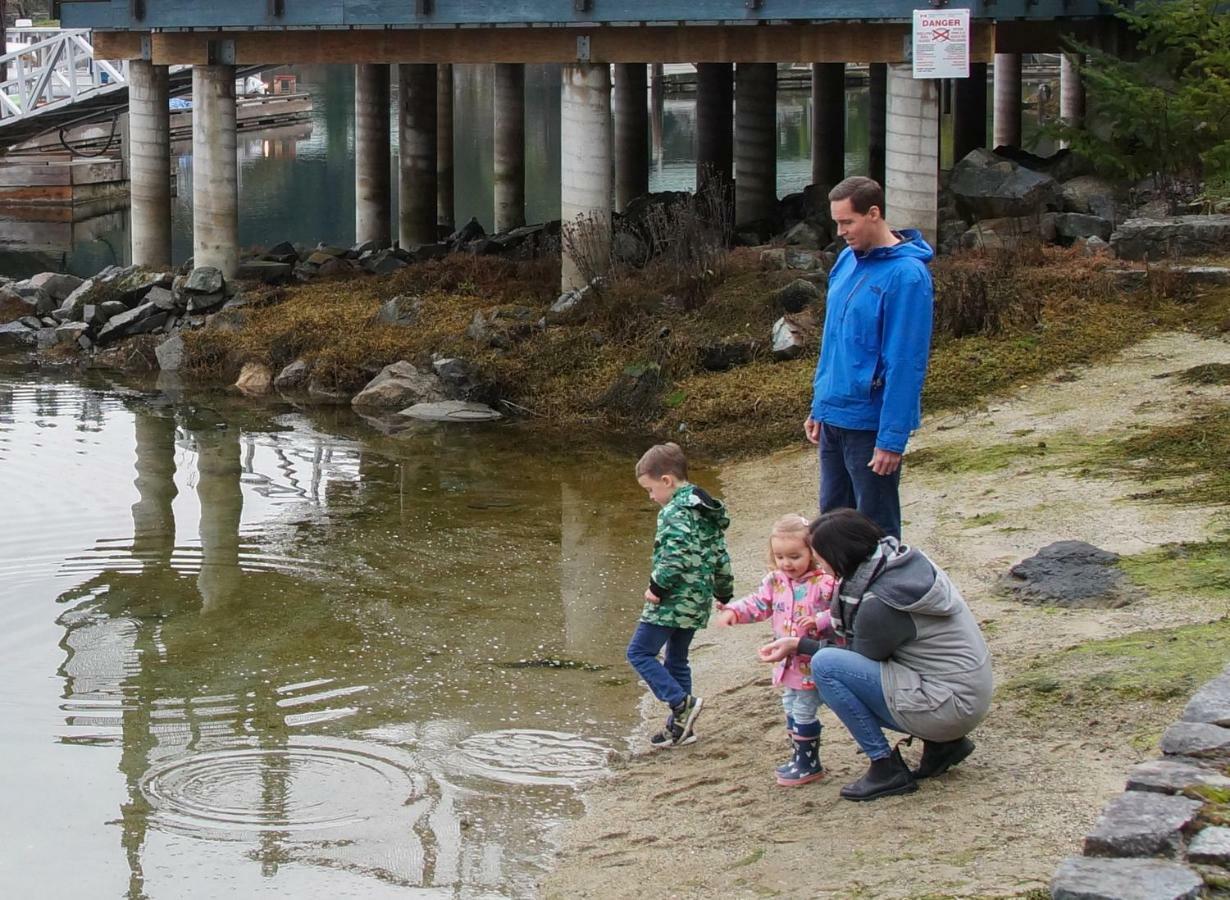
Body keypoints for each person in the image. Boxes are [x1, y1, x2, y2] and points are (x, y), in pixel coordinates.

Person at [758, 509, 992, 801]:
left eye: (820, 556)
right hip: (968, 691)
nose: (819, 563)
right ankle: (943, 745)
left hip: (950, 707)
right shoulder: (902, 561)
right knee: (848, 664)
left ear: (840, 555)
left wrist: (800, 646)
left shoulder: (877, 602)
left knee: (826, 667)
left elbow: (860, 659)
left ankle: (885, 767)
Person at [804, 176, 935, 540]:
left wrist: (892, 438)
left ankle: (887, 596)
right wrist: (819, 404)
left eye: (848, 222)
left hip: (869, 424)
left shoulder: (908, 277)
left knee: (875, 530)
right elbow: (833, 342)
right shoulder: (846, 261)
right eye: (837, 223)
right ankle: (840, 597)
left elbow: (907, 363)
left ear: (874, 213)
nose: (840, 231)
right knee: (830, 528)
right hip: (834, 417)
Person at [713, 515, 836, 786]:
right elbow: (759, 603)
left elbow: (843, 611)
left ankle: (809, 763)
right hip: (787, 661)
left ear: (812, 553)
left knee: (804, 709)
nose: (786, 564)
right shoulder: (776, 581)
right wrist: (734, 611)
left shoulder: (824, 583)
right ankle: (799, 756)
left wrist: (820, 621)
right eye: (780, 557)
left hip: (812, 659)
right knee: (790, 705)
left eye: (794, 556)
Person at [627, 442, 733, 749]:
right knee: (677, 659)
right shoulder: (706, 509)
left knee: (638, 653)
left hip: (673, 599)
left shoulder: (674, 511)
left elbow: (674, 559)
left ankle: (680, 703)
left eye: (649, 490)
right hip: (697, 601)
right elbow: (720, 556)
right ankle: (680, 729)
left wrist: (655, 589)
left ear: (666, 481)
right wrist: (724, 592)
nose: (651, 497)